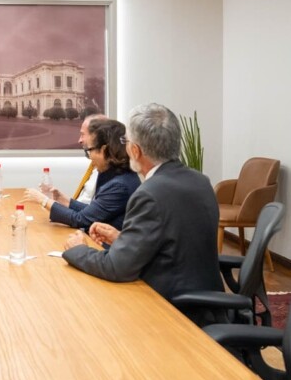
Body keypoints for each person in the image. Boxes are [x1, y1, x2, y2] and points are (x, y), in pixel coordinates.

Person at [62, 103, 223, 305]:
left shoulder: (149, 193)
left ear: (135, 150)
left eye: (126, 141)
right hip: (204, 300)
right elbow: (175, 243)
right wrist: (123, 239)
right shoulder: (200, 180)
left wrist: (78, 249)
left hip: (169, 306)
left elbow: (116, 268)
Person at [23, 119, 140, 233]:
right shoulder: (116, 174)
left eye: (90, 151)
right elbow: (92, 212)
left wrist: (43, 200)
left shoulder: (119, 185)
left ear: (104, 150)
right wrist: (65, 201)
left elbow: (81, 219)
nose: (90, 157)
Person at [72, 113, 106, 204]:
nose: (79, 140)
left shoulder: (110, 173)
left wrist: (46, 202)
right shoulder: (94, 166)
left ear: (97, 136)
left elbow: (89, 214)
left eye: (83, 134)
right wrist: (59, 199)